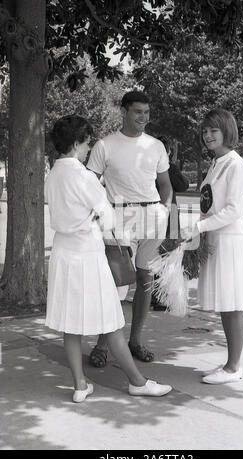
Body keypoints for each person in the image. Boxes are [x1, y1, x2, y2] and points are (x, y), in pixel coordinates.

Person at [45, 115, 172, 402]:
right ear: (77, 142)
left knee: (70, 323)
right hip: (87, 255)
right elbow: (109, 216)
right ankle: (136, 382)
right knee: (111, 319)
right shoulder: (83, 176)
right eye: (87, 142)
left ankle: (79, 385)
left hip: (63, 253)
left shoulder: (52, 174)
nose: (89, 147)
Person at [87, 90, 173, 367]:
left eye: (147, 113)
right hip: (120, 218)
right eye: (138, 112)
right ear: (124, 111)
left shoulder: (156, 146)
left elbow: (165, 184)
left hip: (152, 216)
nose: (143, 118)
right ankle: (103, 344)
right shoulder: (105, 145)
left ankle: (135, 340)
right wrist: (101, 215)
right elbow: (89, 184)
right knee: (117, 284)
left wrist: (166, 209)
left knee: (146, 281)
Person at [189, 108, 243, 384]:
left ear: (227, 131)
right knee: (225, 304)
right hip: (214, 238)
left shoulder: (236, 165)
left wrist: (199, 227)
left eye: (213, 130)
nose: (207, 136)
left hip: (229, 241)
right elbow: (209, 203)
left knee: (232, 303)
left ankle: (234, 367)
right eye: (204, 131)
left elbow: (233, 210)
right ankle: (230, 362)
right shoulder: (217, 163)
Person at [151, 137, 189, 310]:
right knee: (168, 255)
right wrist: (173, 166)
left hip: (149, 214)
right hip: (169, 214)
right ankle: (163, 297)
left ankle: (154, 295)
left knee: (153, 253)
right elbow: (183, 185)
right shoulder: (168, 167)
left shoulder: (145, 165)